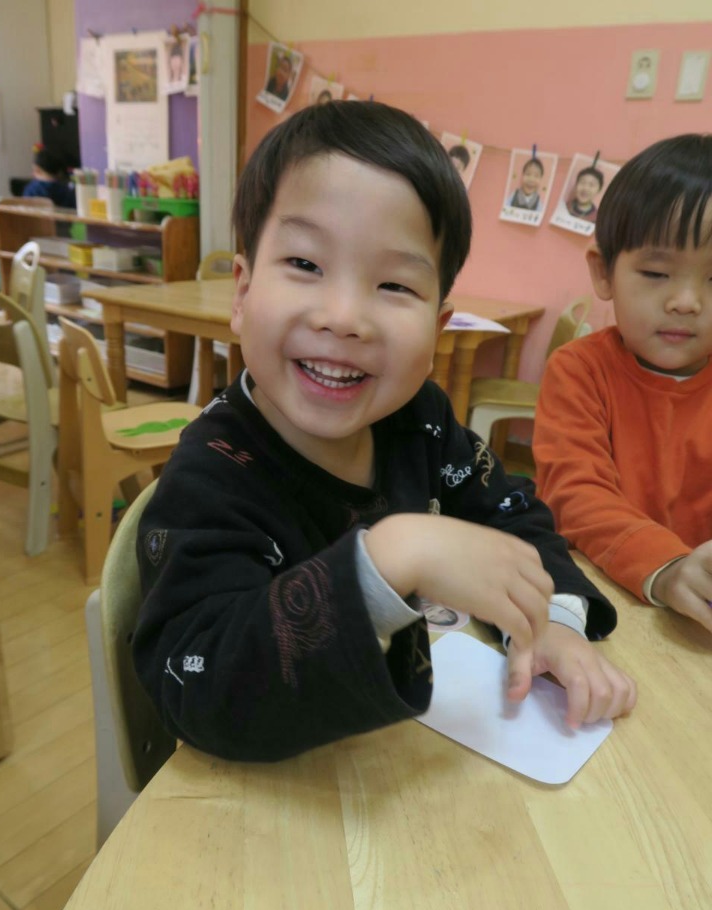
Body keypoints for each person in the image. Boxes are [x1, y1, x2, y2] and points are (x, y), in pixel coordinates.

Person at [132, 101, 636, 762]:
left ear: (439, 326)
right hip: (277, 797)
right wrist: (388, 559)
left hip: (409, 766)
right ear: (242, 292)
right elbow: (201, 685)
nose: (344, 317)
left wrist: (551, 623)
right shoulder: (212, 473)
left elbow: (511, 512)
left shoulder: (418, 419)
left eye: (394, 285)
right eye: (305, 264)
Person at [534, 133, 712, 633]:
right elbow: (574, 493)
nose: (686, 302)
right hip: (603, 602)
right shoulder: (579, 370)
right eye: (656, 273)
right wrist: (669, 567)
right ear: (604, 273)